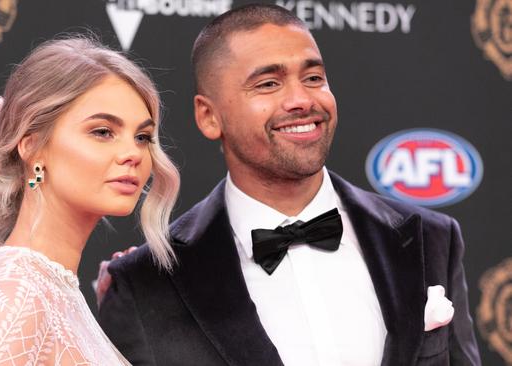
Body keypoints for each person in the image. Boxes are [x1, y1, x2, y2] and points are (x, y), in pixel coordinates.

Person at [97, 4, 481, 366]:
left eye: (313, 78)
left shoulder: (431, 239)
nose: (301, 99)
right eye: (268, 84)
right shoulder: (146, 283)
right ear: (209, 116)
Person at [0, 35, 180, 365]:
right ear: (32, 146)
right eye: (102, 132)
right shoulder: (17, 292)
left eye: (142, 137)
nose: (133, 154)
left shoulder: (54, 289)